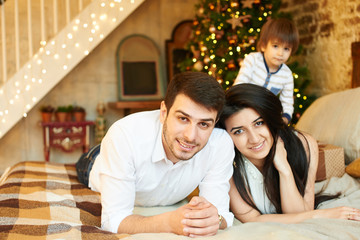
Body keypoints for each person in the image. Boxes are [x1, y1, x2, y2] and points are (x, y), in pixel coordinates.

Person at [76, 72, 235, 237]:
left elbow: (220, 213)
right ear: (163, 112)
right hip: (95, 163)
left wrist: (213, 219)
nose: (191, 136)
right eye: (183, 118)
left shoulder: (220, 144)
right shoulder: (124, 135)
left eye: (203, 124)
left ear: (214, 123)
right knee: (98, 155)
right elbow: (113, 221)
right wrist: (168, 223)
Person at [217, 83, 360, 223]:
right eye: (239, 131)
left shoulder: (305, 144)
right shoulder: (226, 162)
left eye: (259, 123)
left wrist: (284, 168)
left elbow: (300, 213)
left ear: (271, 119)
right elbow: (253, 218)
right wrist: (321, 215)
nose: (254, 139)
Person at [233, 18, 299, 124]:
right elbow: (239, 86)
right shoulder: (252, 60)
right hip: (241, 108)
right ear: (263, 46)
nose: (280, 53)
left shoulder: (287, 75)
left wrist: (284, 119)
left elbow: (287, 103)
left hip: (265, 116)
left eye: (286, 49)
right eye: (275, 46)